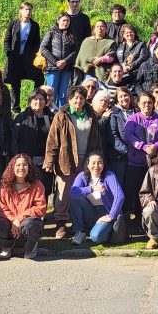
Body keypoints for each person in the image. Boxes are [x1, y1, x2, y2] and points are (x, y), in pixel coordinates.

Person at [46, 86, 103, 239]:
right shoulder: (61, 116)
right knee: (64, 193)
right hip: (67, 160)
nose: (78, 101)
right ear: (69, 99)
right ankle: (61, 223)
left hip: (87, 162)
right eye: (75, 98)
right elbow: (52, 140)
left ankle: (78, 224)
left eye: (81, 98)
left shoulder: (91, 115)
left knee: (81, 192)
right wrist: (49, 161)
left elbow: (97, 139)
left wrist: (98, 157)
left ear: (85, 100)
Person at [124, 93, 158, 219]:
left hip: (153, 164)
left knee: (151, 193)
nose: (147, 105)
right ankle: (130, 221)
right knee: (133, 193)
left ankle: (147, 220)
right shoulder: (133, 119)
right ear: (138, 104)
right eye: (144, 102)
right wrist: (144, 147)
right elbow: (129, 135)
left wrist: (155, 146)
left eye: (150, 102)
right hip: (135, 163)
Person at [0, 154, 47, 259]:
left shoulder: (37, 185)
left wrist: (19, 218)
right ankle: (6, 247)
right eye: (18, 165)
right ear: (12, 167)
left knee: (31, 224)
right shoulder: (4, 186)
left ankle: (30, 247)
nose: (21, 168)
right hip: (9, 222)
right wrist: (14, 220)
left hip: (27, 222)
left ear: (29, 167)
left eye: (24, 165)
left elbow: (41, 208)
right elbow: (1, 209)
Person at [69, 152, 125, 245]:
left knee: (96, 237)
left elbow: (120, 196)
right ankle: (80, 232)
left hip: (106, 212)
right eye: (93, 163)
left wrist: (111, 216)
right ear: (88, 164)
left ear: (103, 164)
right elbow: (73, 193)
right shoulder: (82, 176)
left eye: (100, 163)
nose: (96, 166)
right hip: (90, 211)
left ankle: (106, 230)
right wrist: (91, 188)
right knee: (76, 199)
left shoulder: (109, 175)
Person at [3, 2, 43, 114]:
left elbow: (37, 42)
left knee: (39, 78)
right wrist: (8, 53)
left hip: (29, 59)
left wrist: (34, 54)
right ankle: (15, 108)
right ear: (20, 11)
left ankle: (33, 103)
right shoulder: (13, 24)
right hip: (15, 58)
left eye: (30, 9)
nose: (28, 12)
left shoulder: (35, 25)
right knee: (15, 83)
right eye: (26, 9)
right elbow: (7, 40)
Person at [13, 91, 54, 194]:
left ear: (45, 102)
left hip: (45, 160)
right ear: (30, 101)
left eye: (41, 99)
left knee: (44, 187)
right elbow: (14, 138)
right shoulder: (22, 117)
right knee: (27, 187)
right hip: (26, 159)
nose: (38, 102)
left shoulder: (51, 117)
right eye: (35, 99)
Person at [40, 12, 79, 109]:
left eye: (68, 21)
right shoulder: (51, 32)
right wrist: (55, 62)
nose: (66, 23)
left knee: (63, 94)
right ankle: (49, 114)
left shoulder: (72, 34)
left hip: (67, 68)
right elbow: (43, 48)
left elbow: (75, 51)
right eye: (64, 20)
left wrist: (65, 61)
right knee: (50, 94)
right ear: (58, 21)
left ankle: (62, 115)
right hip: (53, 68)